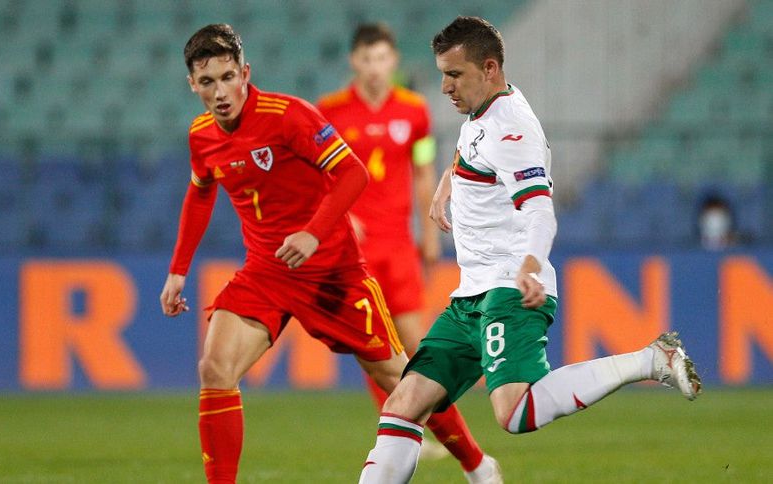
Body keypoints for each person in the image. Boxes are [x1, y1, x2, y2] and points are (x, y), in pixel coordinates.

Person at [358, 16, 703, 483]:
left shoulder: (511, 131)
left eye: (454, 74)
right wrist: (447, 180)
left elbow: (540, 210)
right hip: (471, 296)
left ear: (489, 68)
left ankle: (650, 360)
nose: (445, 87)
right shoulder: (485, 108)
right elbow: (476, 149)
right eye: (442, 74)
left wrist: (530, 265)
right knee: (403, 403)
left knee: (514, 411)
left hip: (508, 286)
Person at [158, 24, 499, 484]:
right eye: (207, 82)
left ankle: (477, 464)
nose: (220, 93)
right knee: (214, 368)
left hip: (332, 272)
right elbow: (200, 192)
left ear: (245, 73)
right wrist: (178, 270)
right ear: (191, 84)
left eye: (227, 77)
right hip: (266, 272)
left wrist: (313, 234)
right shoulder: (202, 135)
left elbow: (353, 173)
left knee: (401, 377)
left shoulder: (289, 115)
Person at [316, 22, 449, 461]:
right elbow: (314, 173)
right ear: (354, 61)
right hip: (354, 251)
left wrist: (429, 235)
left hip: (399, 247)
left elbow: (424, 172)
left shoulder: (415, 111)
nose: (374, 67)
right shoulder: (330, 111)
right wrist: (339, 214)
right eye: (366, 58)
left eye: (381, 58)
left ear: (393, 61)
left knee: (415, 344)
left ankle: (416, 428)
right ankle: (401, 434)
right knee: (375, 347)